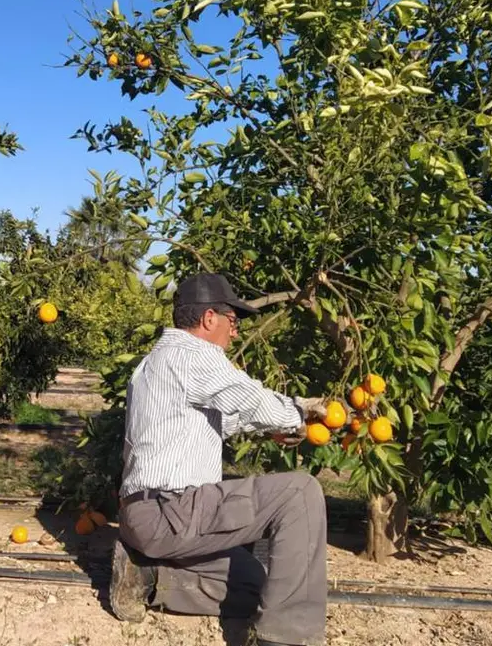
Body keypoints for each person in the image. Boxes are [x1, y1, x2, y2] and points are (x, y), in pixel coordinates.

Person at [109, 273, 329, 646]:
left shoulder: (157, 362)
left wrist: (273, 426)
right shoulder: (192, 354)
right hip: (171, 510)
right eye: (233, 320)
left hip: (147, 516)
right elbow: (248, 396)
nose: (235, 331)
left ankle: (150, 577)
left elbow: (221, 417)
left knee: (257, 585)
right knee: (300, 491)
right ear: (210, 319)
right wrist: (298, 412)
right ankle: (287, 639)